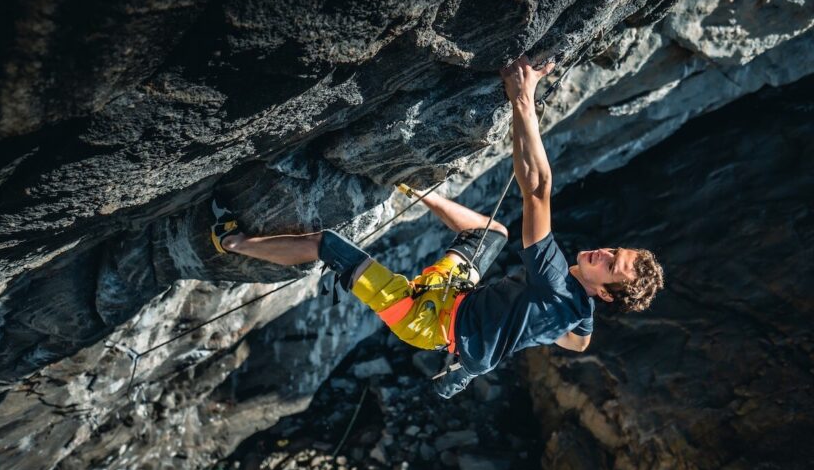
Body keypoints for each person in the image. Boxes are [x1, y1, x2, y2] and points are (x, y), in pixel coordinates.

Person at [210, 56, 665, 398]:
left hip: (423, 320)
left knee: (326, 244)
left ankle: (231, 239)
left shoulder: (553, 283)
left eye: (610, 266)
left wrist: (522, 99)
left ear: (604, 291)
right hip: (460, 298)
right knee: (495, 234)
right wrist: (504, 336)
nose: (603, 254)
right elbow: (580, 343)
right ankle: (414, 191)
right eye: (615, 252)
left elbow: (539, 188)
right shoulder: (581, 316)